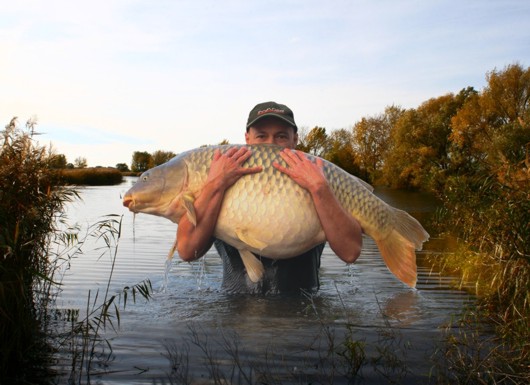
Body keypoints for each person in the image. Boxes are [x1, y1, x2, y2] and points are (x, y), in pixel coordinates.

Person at [176, 101, 363, 294]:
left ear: (295, 139)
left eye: (281, 136)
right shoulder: (216, 179)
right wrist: (215, 185)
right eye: (261, 136)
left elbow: (350, 252)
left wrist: (319, 189)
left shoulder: (319, 178)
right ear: (247, 138)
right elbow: (188, 251)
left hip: (302, 315)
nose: (271, 144)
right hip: (233, 312)